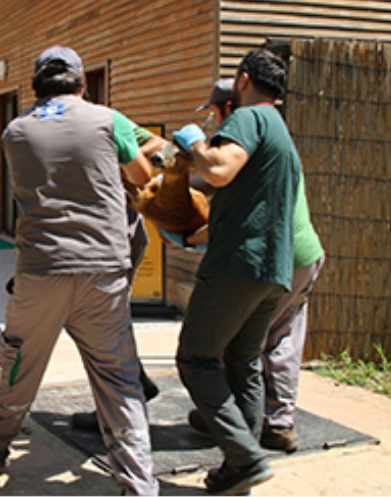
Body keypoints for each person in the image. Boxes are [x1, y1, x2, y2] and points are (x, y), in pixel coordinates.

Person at [0, 45, 159, 496]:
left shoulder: (14, 131)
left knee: (18, 362)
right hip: (103, 272)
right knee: (118, 379)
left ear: (35, 85)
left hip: (42, 269)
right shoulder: (108, 120)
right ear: (82, 83)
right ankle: (139, 486)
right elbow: (142, 173)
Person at [170, 49, 301, 495]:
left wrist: (193, 144)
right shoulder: (281, 132)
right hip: (272, 272)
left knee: (196, 357)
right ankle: (239, 461)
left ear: (243, 81)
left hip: (236, 266)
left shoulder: (249, 118)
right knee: (242, 361)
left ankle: (245, 457)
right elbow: (245, 200)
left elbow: (221, 170)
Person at [182, 78, 327, 454]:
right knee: (264, 345)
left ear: (231, 108)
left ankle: (248, 426)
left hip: (278, 255)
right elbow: (207, 182)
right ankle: (259, 426)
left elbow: (236, 211)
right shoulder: (269, 143)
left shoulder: (246, 135)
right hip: (298, 256)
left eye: (216, 113)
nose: (214, 123)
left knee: (235, 346)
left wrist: (184, 235)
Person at [68, 123, 165, 431]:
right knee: (104, 324)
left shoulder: (107, 121)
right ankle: (134, 383)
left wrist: (122, 155)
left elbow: (158, 143)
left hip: (116, 237)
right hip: (98, 239)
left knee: (101, 327)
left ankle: (118, 411)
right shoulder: (53, 125)